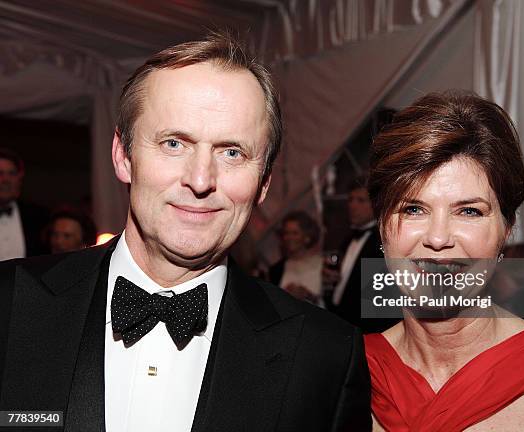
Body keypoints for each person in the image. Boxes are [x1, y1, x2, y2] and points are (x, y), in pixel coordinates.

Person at [0, 33, 371, 431]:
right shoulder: (9, 305)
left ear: (263, 182)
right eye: (174, 143)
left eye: (232, 152)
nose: (200, 179)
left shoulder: (323, 357)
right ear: (123, 157)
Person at [364, 91, 524, 431]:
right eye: (413, 209)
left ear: (506, 230)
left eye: (469, 211)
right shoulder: (338, 379)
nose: (438, 238)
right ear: (381, 225)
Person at [324, 177, 396, 332]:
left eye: (361, 200)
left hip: (365, 331)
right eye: (350, 199)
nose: (352, 205)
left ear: (376, 205)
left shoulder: (383, 242)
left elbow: (381, 306)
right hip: (340, 324)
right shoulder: (349, 238)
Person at [0, 148, 49, 260]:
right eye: (0, 173)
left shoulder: (39, 216)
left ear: (19, 179)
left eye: (11, 173)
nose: (6, 179)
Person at [268, 211, 324, 305]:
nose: (289, 237)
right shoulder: (276, 269)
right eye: (286, 233)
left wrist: (307, 295)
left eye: (295, 233)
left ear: (307, 237)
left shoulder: (322, 265)